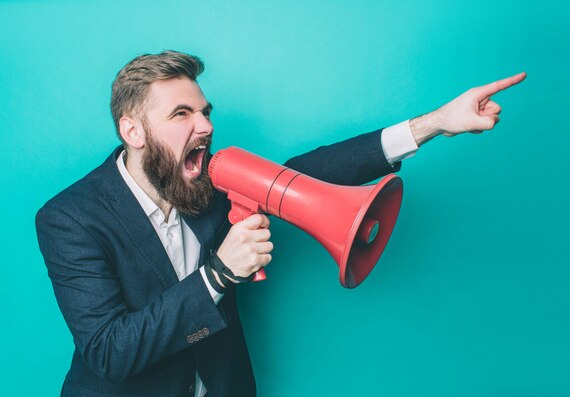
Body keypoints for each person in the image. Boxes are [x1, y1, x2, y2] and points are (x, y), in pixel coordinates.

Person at [35, 50, 525, 397]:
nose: (204, 126)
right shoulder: (70, 218)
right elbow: (108, 352)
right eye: (181, 114)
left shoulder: (205, 177)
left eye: (204, 112)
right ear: (133, 130)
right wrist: (218, 276)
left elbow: (305, 175)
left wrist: (433, 123)